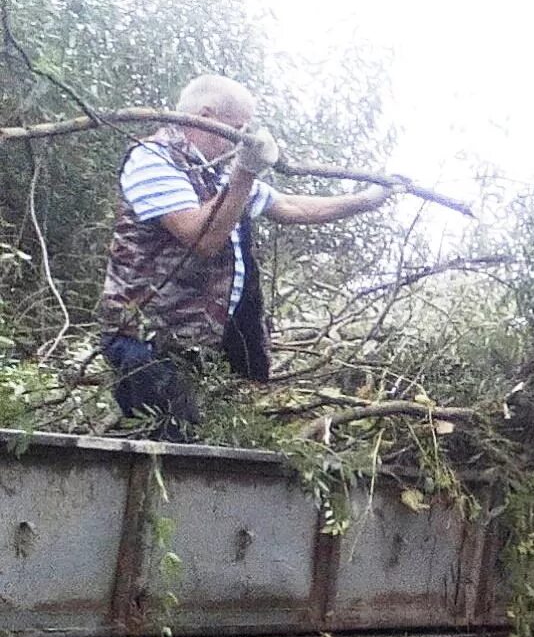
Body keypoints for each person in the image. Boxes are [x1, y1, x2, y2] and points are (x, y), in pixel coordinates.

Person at [98, 75, 396, 439]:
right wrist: (245, 170)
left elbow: (290, 207)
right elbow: (200, 238)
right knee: (168, 452)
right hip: (147, 343)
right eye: (237, 128)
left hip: (191, 346)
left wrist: (366, 200)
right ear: (205, 116)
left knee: (196, 449)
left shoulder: (216, 171)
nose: (243, 137)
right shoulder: (154, 159)